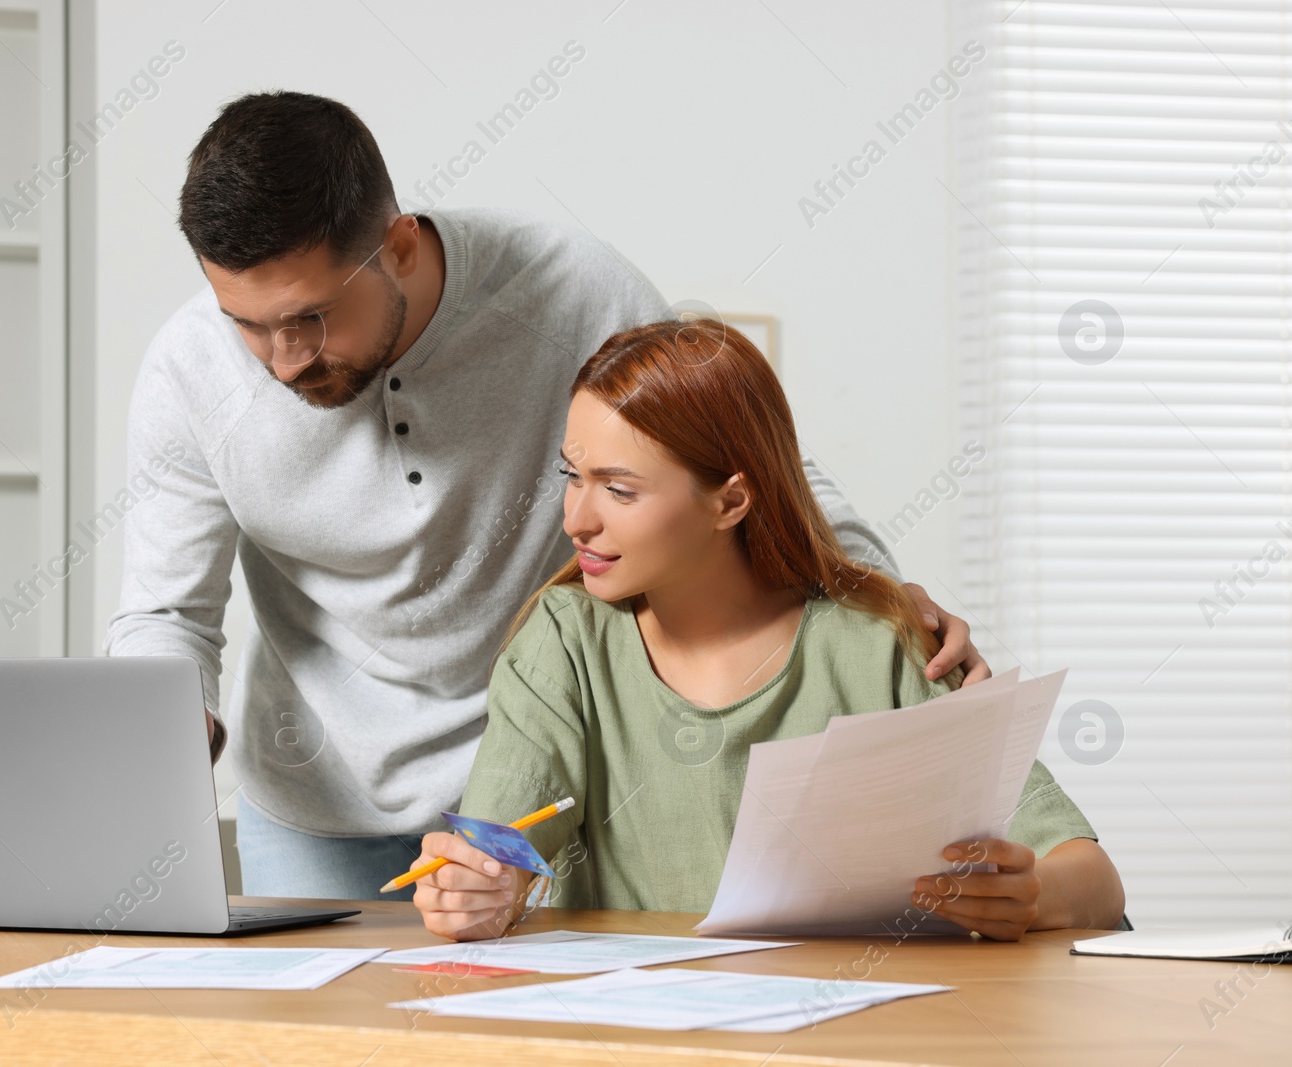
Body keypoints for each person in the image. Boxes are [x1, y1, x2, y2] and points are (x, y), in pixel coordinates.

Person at [106, 90, 992, 901]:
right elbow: (165, 612)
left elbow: (731, 443)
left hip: (540, 786)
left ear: (401, 245)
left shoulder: (569, 288)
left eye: (310, 318)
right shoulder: (188, 372)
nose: (283, 358)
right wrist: (161, 724)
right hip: (312, 803)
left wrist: (873, 592)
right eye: (247, 325)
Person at [410, 319, 1125, 941]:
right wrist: (474, 894)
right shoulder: (564, 644)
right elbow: (490, 860)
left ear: (731, 501)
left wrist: (1031, 897)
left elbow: (1092, 876)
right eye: (573, 475)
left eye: (619, 489)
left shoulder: (877, 645)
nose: (576, 520)